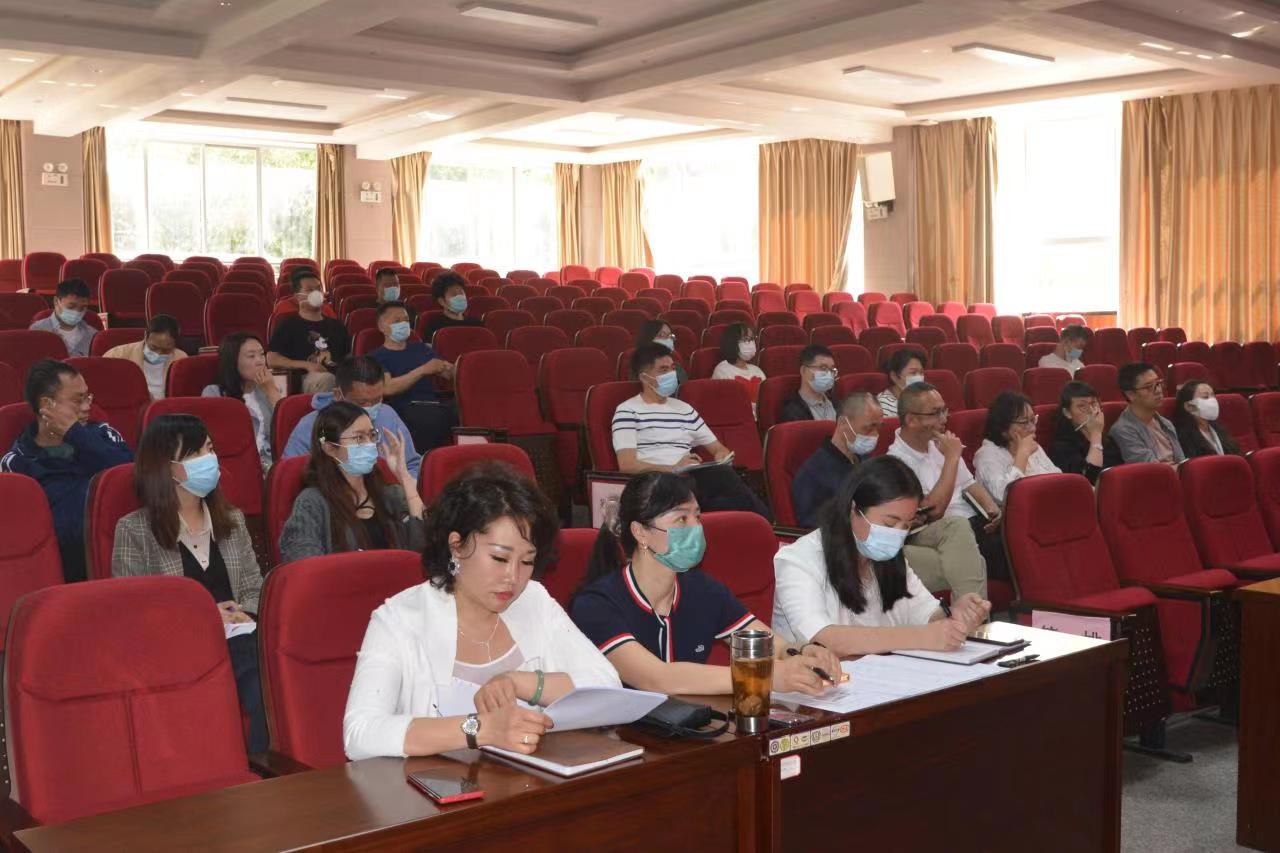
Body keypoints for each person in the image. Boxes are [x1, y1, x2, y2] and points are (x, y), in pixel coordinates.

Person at [342, 465, 621, 761]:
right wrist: (481, 729)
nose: (513, 577)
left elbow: (608, 688)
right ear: (456, 546)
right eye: (499, 558)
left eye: (527, 561)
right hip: (436, 787)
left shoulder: (533, 600)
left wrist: (519, 682)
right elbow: (360, 733)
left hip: (528, 781)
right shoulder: (400, 619)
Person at [571, 472, 841, 696]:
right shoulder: (597, 604)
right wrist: (762, 676)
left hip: (688, 727)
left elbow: (770, 645)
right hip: (619, 734)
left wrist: (803, 651)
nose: (696, 528)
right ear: (640, 532)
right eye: (681, 519)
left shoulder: (701, 589)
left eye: (697, 517)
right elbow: (657, 678)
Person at [110, 414, 267, 753]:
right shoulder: (134, 530)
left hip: (241, 637)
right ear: (166, 467)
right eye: (195, 453)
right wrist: (208, 617)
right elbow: (132, 614)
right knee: (258, 678)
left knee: (267, 674)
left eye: (209, 449)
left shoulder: (233, 520)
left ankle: (270, 765)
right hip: (179, 646)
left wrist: (244, 613)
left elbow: (255, 587)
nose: (209, 459)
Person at [773, 456, 991, 653]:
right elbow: (823, 640)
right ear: (853, 509)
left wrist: (955, 616)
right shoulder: (797, 560)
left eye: (906, 525)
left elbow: (926, 615)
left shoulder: (890, 558)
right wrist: (921, 637)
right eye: (889, 523)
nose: (897, 534)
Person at [0, 359, 132, 583]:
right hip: (63, 573)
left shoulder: (102, 435)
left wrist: (76, 435)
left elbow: (132, 475)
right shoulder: (16, 464)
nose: (87, 407)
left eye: (88, 397)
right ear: (47, 404)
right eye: (78, 400)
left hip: (124, 558)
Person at [613, 342, 772, 519]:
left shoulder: (684, 409)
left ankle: (762, 524)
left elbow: (718, 448)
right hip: (654, 482)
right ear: (645, 377)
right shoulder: (627, 410)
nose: (671, 374)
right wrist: (672, 469)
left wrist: (721, 456)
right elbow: (627, 465)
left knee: (724, 497)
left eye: (673, 368)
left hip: (688, 479)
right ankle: (769, 524)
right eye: (663, 370)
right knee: (724, 484)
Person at [887, 382, 1007, 595]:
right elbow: (933, 511)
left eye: (944, 410)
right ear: (912, 420)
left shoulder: (939, 443)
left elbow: (969, 484)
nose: (944, 419)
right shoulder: (896, 461)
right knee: (991, 549)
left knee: (1018, 540)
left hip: (974, 525)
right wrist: (951, 458)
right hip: (937, 530)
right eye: (935, 413)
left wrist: (992, 510)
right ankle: (976, 614)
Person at [278, 401, 425, 563]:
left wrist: (405, 479)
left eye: (372, 435)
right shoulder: (312, 502)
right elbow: (304, 565)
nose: (369, 444)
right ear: (330, 448)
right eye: (359, 438)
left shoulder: (389, 495)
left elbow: (425, 554)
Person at [283, 356, 422, 479]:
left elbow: (412, 466)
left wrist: (403, 485)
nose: (370, 408)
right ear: (338, 395)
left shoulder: (387, 414)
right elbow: (291, 478)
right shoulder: (310, 426)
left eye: (377, 400)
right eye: (362, 402)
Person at [368, 301, 458, 452]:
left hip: (435, 404)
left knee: (465, 410)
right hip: (404, 407)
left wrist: (457, 368)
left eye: (406, 320)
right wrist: (422, 370)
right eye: (397, 321)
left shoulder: (421, 348)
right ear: (382, 326)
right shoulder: (376, 357)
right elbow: (387, 388)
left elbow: (448, 373)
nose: (403, 324)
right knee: (429, 419)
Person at [791, 392, 882, 527]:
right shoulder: (812, 473)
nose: (875, 435)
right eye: (868, 428)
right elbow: (814, 526)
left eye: (878, 428)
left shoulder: (867, 461)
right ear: (843, 423)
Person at [202, 332, 281, 471]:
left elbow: (285, 431)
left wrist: (272, 391)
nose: (260, 361)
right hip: (233, 467)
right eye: (251, 356)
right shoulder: (214, 393)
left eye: (262, 354)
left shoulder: (266, 390)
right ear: (233, 361)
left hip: (269, 464)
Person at [266, 268, 347, 394]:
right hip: (307, 379)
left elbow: (348, 358)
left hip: (339, 379)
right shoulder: (288, 325)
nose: (316, 293)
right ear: (298, 297)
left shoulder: (337, 325)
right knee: (327, 380)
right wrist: (306, 365)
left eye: (318, 289)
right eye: (310, 290)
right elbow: (272, 359)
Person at [973, 391, 1061, 505]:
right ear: (1003, 428)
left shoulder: (1032, 446)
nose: (1033, 428)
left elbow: (1058, 477)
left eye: (1033, 420)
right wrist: (1022, 455)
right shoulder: (986, 455)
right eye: (1024, 422)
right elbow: (1004, 496)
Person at [1111, 362, 1185, 465]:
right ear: (1130, 394)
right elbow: (1150, 470)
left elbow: (1182, 462)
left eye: (1158, 383)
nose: (1158, 390)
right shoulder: (1123, 430)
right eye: (1149, 387)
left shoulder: (1166, 423)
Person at [103, 313, 187, 400]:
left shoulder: (181, 360)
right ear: (146, 336)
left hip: (168, 406)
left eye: (165, 350)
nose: (158, 354)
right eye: (154, 347)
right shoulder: (117, 355)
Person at [1047, 381, 1115, 484]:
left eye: (1093, 403)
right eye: (1082, 406)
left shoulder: (1108, 440)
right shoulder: (1062, 447)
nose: (1091, 410)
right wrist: (1096, 434)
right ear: (1067, 413)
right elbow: (1088, 481)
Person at [1172, 379, 1241, 458]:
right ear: (1189, 406)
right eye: (1205, 397)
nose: (1212, 400)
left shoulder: (1218, 429)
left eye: (1213, 396)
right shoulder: (1183, 437)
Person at [29, 278, 96, 358]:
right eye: (71, 307)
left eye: (82, 308)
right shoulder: (37, 331)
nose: (77, 312)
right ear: (56, 301)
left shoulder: (93, 334)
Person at [711, 323, 765, 411]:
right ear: (732, 342)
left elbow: (766, 398)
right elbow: (726, 403)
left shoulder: (757, 370)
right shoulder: (722, 370)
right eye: (746, 339)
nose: (751, 343)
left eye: (752, 339)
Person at [779, 345, 837, 423]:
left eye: (831, 369)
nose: (829, 374)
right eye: (823, 368)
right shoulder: (792, 410)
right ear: (803, 371)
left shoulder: (836, 403)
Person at [420, 272, 482, 342]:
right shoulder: (435, 327)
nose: (460, 297)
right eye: (454, 294)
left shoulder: (477, 324)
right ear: (442, 301)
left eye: (461, 293)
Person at [635, 319, 686, 388]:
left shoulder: (676, 364)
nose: (668, 339)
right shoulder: (637, 363)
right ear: (648, 337)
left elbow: (685, 388)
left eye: (670, 336)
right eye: (661, 335)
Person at [876, 348, 925, 419]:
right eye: (913, 373)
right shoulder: (883, 405)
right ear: (894, 376)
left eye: (921, 372)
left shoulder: (924, 397)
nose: (919, 377)